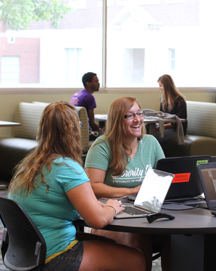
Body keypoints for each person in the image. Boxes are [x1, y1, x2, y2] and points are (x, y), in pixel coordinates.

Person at [8, 101, 145, 271]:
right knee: (136, 259)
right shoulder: (67, 168)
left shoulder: (27, 166)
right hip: (55, 256)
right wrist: (111, 208)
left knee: (109, 245)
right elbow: (98, 220)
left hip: (25, 254)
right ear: (73, 131)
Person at [84, 96, 169, 271]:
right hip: (112, 213)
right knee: (137, 237)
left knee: (179, 239)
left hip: (147, 208)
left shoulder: (151, 143)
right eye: (129, 116)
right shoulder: (102, 146)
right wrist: (131, 190)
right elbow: (93, 187)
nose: (137, 119)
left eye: (139, 113)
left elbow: (166, 176)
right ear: (117, 120)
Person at [156, 74, 187, 142]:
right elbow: (161, 115)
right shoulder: (163, 100)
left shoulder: (179, 101)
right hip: (166, 127)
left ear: (166, 86)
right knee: (147, 129)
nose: (159, 88)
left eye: (161, 86)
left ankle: (160, 152)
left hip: (177, 129)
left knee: (157, 135)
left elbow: (179, 121)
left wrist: (162, 127)